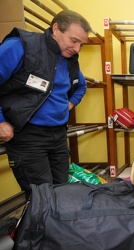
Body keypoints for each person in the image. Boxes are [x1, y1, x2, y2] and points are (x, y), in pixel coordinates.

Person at [0, 10, 91, 199]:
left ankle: (57, 229)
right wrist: (0, 121)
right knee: (42, 199)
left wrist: (69, 104)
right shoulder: (21, 47)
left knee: (62, 194)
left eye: (81, 44)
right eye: (74, 40)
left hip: (58, 136)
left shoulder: (69, 60)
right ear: (56, 29)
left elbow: (81, 86)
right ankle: (38, 230)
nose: (77, 49)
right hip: (28, 136)